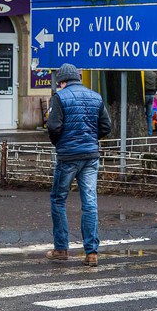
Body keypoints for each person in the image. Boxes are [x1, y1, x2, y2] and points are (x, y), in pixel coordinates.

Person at [46, 63, 111, 266]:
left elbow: (54, 126)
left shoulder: (59, 97)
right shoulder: (95, 96)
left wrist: (60, 143)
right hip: (91, 156)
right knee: (90, 203)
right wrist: (91, 138)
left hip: (68, 156)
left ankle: (61, 248)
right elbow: (106, 126)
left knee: (58, 199)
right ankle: (91, 253)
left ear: (62, 81)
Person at [144, 71, 157, 135]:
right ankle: (150, 132)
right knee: (149, 115)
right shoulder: (154, 74)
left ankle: (143, 129)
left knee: (142, 113)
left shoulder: (143, 73)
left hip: (145, 94)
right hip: (152, 95)